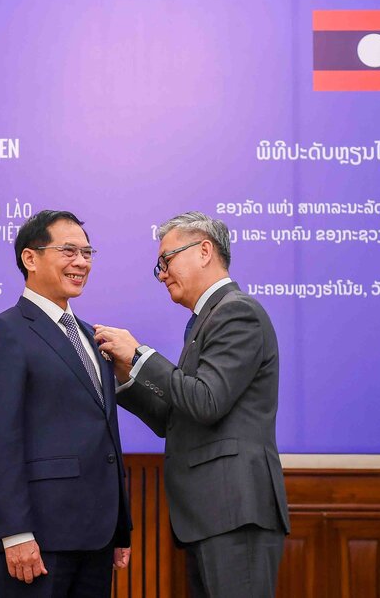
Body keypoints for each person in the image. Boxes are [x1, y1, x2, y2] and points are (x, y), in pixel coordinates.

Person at [94, 211, 289, 598]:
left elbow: (206, 402)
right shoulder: (205, 322)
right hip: (210, 515)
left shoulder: (237, 312)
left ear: (204, 251)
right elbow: (175, 417)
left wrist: (140, 355)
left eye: (166, 260)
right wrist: (125, 373)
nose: (162, 273)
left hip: (235, 512)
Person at [0, 209, 132, 597]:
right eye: (69, 250)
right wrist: (15, 532)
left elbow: (105, 434)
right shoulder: (5, 332)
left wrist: (120, 527)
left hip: (98, 537)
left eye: (87, 252)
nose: (81, 262)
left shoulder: (91, 336)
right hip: (41, 539)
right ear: (30, 258)